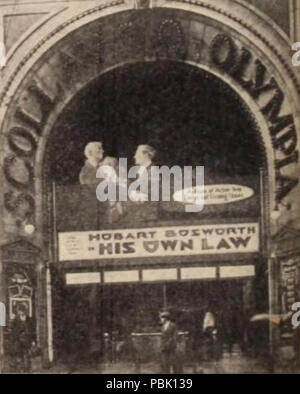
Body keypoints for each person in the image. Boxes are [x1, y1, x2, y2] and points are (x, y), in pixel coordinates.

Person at [10, 303, 35, 372]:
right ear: (18, 311)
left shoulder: (29, 319)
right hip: (18, 340)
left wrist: (33, 340)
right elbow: (12, 329)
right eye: (20, 311)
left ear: (25, 311)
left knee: (27, 355)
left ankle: (28, 369)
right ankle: (20, 369)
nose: (21, 312)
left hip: (27, 340)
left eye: (23, 311)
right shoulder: (15, 319)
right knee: (19, 355)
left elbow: (32, 330)